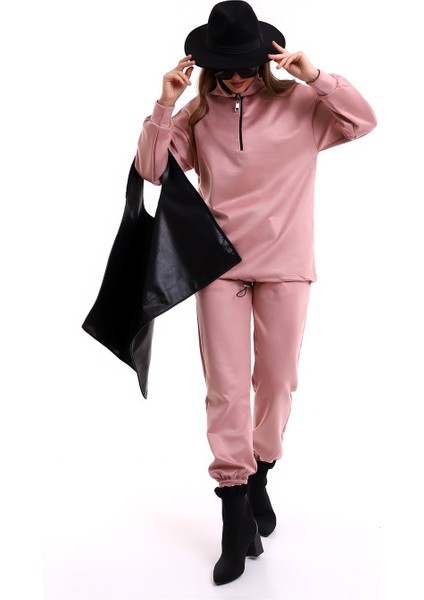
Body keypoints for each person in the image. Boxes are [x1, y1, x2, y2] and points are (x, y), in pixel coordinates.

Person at [135, 0, 377, 586]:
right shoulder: (198, 114)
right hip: (220, 266)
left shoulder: (303, 105)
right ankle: (233, 507)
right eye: (226, 68)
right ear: (209, 66)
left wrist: (315, 76)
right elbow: (151, 169)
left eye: (247, 65)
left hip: (286, 264)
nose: (238, 77)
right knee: (225, 387)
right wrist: (166, 103)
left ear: (264, 60)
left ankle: (260, 474)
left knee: (276, 381)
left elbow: (363, 121)